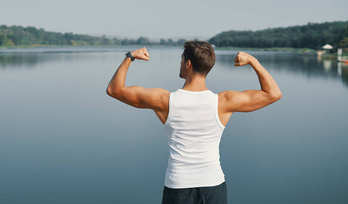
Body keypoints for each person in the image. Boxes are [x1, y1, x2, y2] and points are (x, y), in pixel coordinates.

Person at [106, 41, 282, 204]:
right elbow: (273, 93)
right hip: (214, 186)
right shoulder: (223, 102)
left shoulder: (164, 100)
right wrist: (253, 61)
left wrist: (130, 56)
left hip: (178, 187)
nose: (180, 64)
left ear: (188, 64)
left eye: (182, 60)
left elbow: (114, 90)